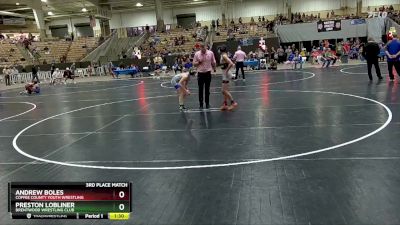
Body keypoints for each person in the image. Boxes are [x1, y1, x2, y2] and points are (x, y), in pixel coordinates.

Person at [193, 43, 216, 109]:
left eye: (204, 47)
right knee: (200, 89)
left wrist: (214, 68)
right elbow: (194, 64)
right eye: (202, 48)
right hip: (200, 73)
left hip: (208, 73)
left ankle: (207, 103)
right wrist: (199, 62)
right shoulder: (197, 54)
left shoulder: (210, 53)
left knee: (207, 89)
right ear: (200, 48)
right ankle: (201, 104)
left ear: (206, 47)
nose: (203, 49)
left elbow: (213, 61)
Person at [219, 45, 238, 111]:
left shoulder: (224, 56)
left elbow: (231, 63)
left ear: (221, 50)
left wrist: (227, 71)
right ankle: (225, 104)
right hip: (225, 74)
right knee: (225, 91)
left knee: (223, 91)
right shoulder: (224, 55)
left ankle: (233, 102)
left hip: (226, 74)